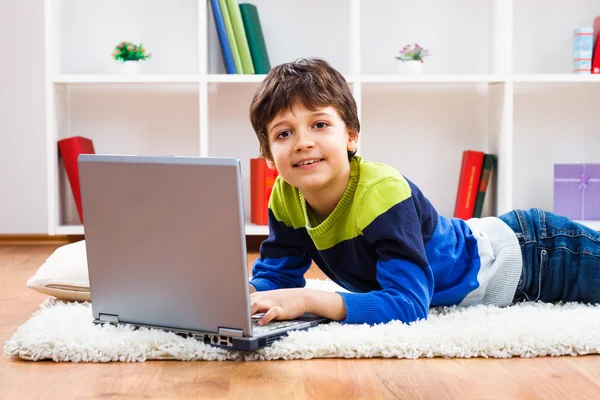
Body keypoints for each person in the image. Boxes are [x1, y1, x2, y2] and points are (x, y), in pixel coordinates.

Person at [246, 58, 600, 327]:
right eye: (283, 133)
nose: (303, 143)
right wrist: (239, 298)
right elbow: (276, 278)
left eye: (320, 125)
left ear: (351, 135)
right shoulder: (285, 195)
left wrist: (311, 300)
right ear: (268, 155)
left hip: (537, 254)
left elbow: (408, 305)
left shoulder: (382, 192)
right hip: (514, 274)